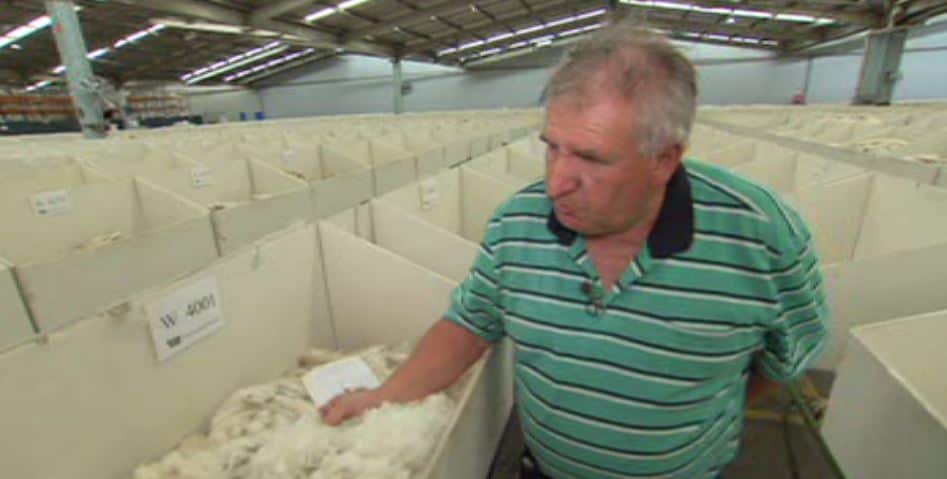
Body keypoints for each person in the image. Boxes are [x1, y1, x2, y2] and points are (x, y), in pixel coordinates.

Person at [320, 20, 829, 479]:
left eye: (590, 157)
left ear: (664, 159)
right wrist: (384, 397)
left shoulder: (762, 238)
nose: (557, 181)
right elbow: (469, 325)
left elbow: (783, 359)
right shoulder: (517, 223)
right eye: (551, 147)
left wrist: (694, 409)